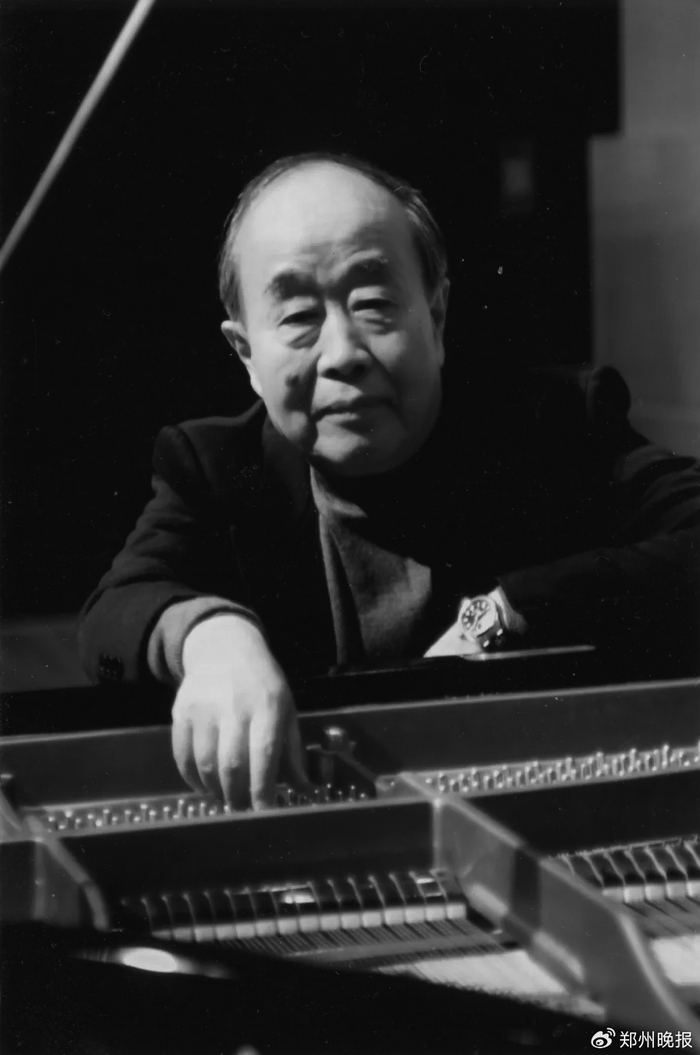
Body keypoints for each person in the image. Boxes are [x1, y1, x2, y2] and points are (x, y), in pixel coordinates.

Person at [79, 151, 700, 811]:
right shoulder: (212, 467)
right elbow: (114, 614)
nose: (343, 354)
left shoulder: (556, 424)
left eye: (373, 304)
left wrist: (507, 611)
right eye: (298, 317)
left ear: (436, 316)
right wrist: (212, 638)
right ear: (247, 354)